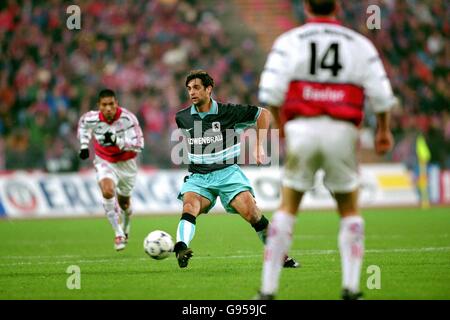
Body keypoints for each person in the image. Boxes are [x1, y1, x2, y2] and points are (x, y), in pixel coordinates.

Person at [256, 0, 395, 299]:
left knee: (288, 206)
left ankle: (267, 291)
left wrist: (281, 127)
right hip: (342, 131)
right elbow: (382, 96)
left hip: (302, 128)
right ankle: (351, 287)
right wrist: (383, 131)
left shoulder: (289, 41)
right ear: (338, 8)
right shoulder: (359, 44)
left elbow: (270, 92)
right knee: (349, 210)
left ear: (306, 7)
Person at [173, 70, 300, 269]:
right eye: (189, 89)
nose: (192, 92)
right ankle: (181, 247)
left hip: (228, 173)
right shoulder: (182, 117)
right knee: (189, 206)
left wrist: (258, 145)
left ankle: (280, 256)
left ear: (208, 89)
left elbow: (263, 114)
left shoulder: (229, 112)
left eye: (197, 87)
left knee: (252, 214)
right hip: (199, 177)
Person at [77, 89, 144, 251]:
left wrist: (117, 140)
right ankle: (118, 233)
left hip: (126, 163)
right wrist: (84, 145)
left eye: (111, 104)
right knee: (107, 191)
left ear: (116, 104)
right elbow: (83, 126)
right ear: (99, 106)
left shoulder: (128, 119)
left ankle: (126, 226)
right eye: (104, 105)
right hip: (104, 160)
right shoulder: (90, 118)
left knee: (124, 203)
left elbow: (139, 144)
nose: (108, 108)